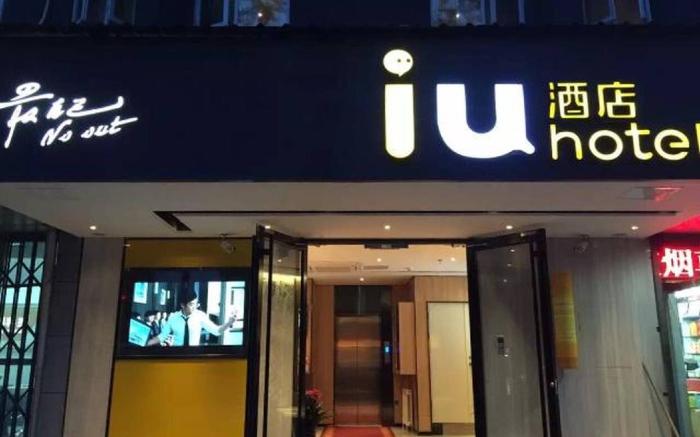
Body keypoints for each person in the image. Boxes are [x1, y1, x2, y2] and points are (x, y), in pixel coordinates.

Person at [148, 290, 235, 347]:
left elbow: (216, 331)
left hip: (194, 355)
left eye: (196, 304)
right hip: (176, 355)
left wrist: (229, 323)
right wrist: (146, 343)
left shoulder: (200, 316)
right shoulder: (173, 317)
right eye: (191, 304)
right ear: (182, 305)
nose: (195, 307)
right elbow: (162, 336)